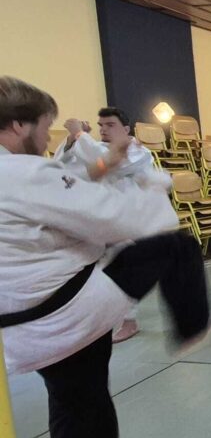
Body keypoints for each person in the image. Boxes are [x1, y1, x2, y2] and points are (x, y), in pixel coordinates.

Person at [0, 76, 211, 438]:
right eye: (45, 127)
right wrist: (155, 190)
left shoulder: (19, 174)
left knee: (75, 395)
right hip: (70, 307)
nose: (48, 138)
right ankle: (190, 327)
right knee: (175, 246)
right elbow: (113, 218)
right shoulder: (20, 173)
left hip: (22, 329)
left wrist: (106, 164)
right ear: (19, 126)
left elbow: (61, 189)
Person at [54, 107, 157, 343]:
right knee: (98, 271)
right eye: (101, 126)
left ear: (126, 129)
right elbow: (63, 168)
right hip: (99, 217)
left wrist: (80, 135)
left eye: (110, 125)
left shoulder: (139, 151)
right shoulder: (93, 148)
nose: (103, 130)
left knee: (124, 268)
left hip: (129, 219)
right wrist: (71, 140)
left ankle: (129, 320)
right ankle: (101, 318)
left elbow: (110, 163)